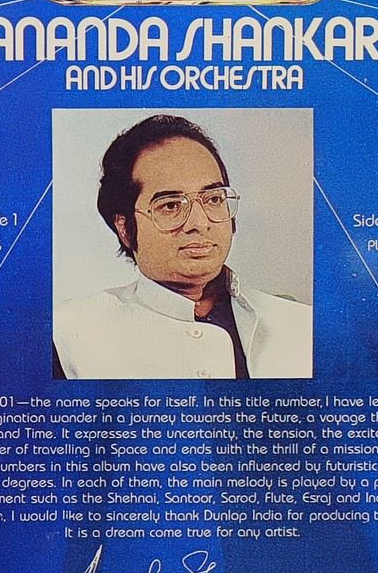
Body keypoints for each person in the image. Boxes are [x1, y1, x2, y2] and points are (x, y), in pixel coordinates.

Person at [53, 114, 312, 379]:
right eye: (170, 205)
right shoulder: (68, 336)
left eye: (213, 199)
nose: (199, 223)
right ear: (125, 229)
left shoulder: (303, 325)